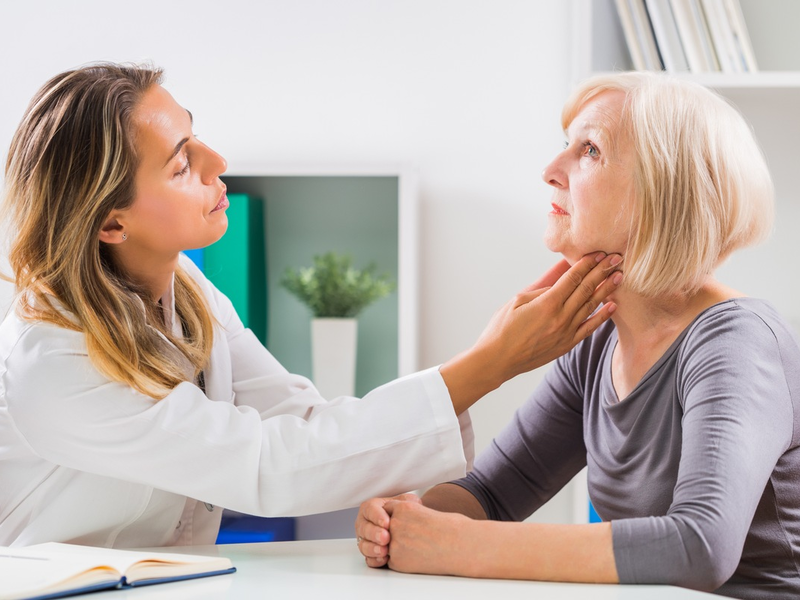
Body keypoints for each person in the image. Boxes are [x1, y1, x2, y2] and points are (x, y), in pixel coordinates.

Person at [0, 63, 623, 549]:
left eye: (196, 133)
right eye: (182, 163)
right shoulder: (52, 356)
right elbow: (268, 466)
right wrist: (493, 362)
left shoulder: (185, 286)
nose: (219, 163)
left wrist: (394, 487)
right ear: (112, 223)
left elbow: (304, 423)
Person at [356, 71, 800, 600]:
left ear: (665, 188)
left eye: (590, 150)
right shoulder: (598, 342)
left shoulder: (737, 342)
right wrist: (406, 521)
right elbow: (495, 493)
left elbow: (700, 547)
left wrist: (461, 545)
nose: (549, 171)